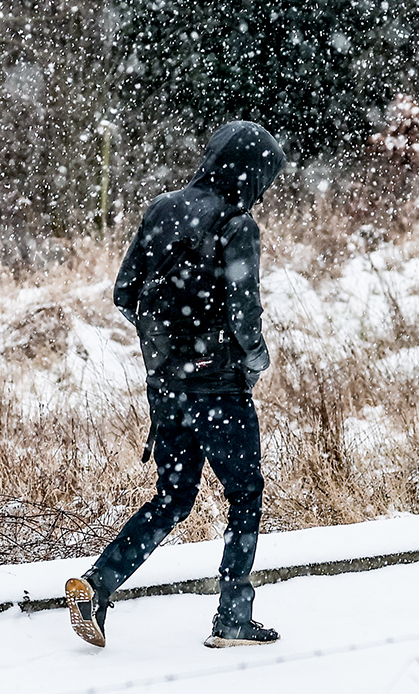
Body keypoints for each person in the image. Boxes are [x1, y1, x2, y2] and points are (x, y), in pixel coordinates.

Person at [66, 120, 287, 650]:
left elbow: (125, 292)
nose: (262, 191)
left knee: (173, 496)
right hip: (221, 390)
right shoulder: (237, 225)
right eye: (263, 179)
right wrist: (253, 361)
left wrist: (165, 345)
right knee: (245, 496)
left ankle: (96, 586)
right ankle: (233, 617)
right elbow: (244, 312)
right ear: (250, 173)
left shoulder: (163, 208)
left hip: (168, 388)